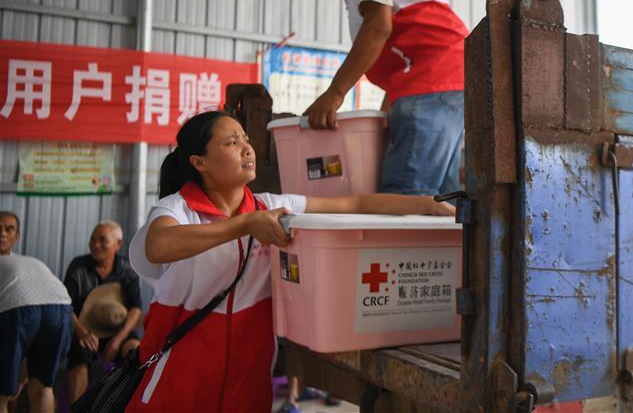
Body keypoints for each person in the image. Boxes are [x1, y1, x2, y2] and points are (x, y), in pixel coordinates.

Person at [126, 110, 453, 412]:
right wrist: (245, 225)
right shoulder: (177, 209)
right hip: (175, 384)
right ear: (200, 162)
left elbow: (353, 203)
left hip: (247, 385)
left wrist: (426, 204)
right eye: (232, 142)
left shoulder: (272, 206)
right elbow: (158, 245)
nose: (247, 149)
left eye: (246, 139)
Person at [303, 0, 468, 196]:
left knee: (404, 195)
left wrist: (335, 93)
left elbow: (378, 26)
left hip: (432, 82)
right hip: (442, 83)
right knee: (445, 202)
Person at [0, 211, 73, 413]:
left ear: (17, 235)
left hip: (20, 306)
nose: (2, 234)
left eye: (8, 228)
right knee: (42, 386)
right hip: (62, 309)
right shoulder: (30, 261)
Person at [64, 221, 143, 404]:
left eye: (103, 240)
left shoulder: (126, 269)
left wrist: (117, 340)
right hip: (84, 328)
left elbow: (136, 308)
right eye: (92, 239)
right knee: (79, 356)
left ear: (118, 244)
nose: (95, 244)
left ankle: (127, 405)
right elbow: (66, 305)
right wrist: (82, 332)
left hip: (117, 329)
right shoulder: (79, 267)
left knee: (135, 351)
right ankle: (77, 408)